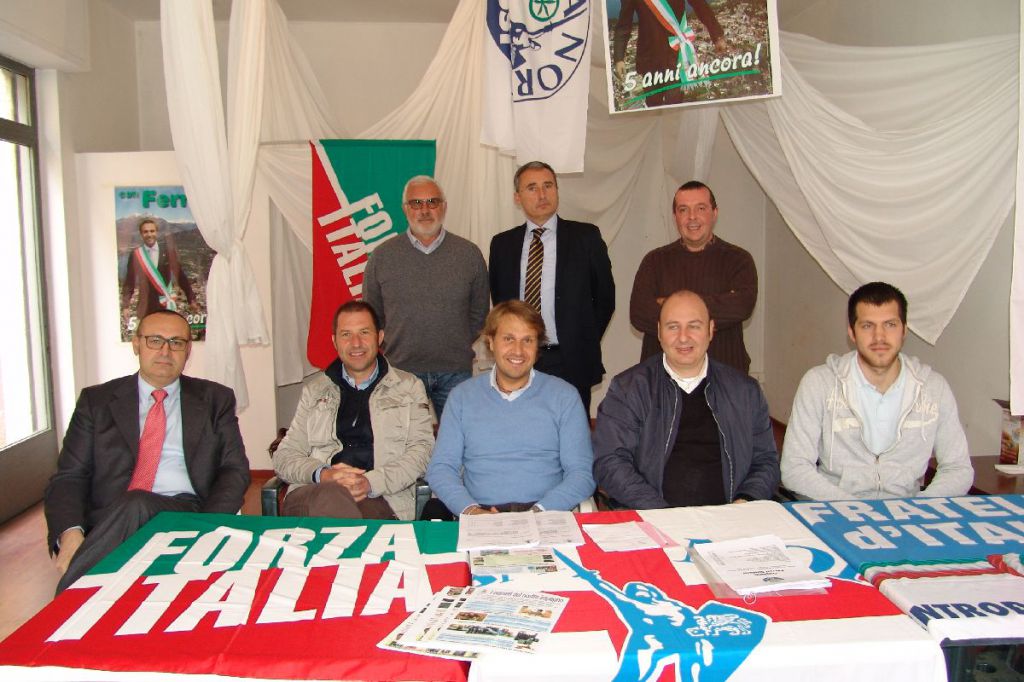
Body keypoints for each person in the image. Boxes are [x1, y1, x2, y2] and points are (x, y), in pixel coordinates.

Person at [45, 310, 249, 593]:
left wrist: (207, 525)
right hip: (111, 516)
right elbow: (69, 476)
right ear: (136, 344)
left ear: (188, 350)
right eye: (155, 340)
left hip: (184, 510)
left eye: (176, 342)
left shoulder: (215, 399)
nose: (166, 351)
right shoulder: (96, 402)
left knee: (137, 503)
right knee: (133, 506)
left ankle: (67, 604)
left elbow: (234, 469)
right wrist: (69, 532)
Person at [781, 282, 974, 500]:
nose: (879, 336)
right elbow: (794, 468)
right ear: (851, 332)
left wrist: (920, 507)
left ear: (904, 330)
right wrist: (855, 509)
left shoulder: (933, 388)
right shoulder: (819, 384)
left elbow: (958, 469)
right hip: (836, 508)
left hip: (909, 510)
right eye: (867, 326)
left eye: (890, 325)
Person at [593, 290, 779, 509]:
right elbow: (610, 462)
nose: (683, 337)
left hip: (730, 516)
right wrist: (663, 513)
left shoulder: (745, 391)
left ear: (710, 330)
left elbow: (766, 461)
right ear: (659, 332)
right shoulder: (629, 389)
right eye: (673, 327)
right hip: (654, 516)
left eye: (694, 326)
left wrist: (744, 501)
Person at [426, 301, 595, 515]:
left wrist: (539, 512)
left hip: (546, 514)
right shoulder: (461, 397)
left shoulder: (564, 397)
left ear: (538, 346)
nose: (518, 350)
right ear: (491, 342)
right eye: (508, 339)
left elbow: (582, 473)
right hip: (479, 514)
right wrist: (471, 511)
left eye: (528, 340)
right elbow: (441, 469)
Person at [272, 301, 434, 520]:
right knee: (331, 498)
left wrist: (370, 482)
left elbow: (422, 452)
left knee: (344, 513)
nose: (356, 343)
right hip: (315, 492)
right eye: (346, 334)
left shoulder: (408, 387)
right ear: (335, 341)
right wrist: (324, 474)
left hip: (380, 495)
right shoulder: (315, 391)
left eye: (364, 332)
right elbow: (284, 456)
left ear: (379, 337)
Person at [489, 161, 615, 414]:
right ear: (517, 197)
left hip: (571, 359)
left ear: (557, 190)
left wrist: (581, 338)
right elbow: (502, 304)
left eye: (548, 186)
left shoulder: (586, 237)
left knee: (571, 430)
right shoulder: (502, 244)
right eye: (532, 188)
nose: (542, 194)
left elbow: (605, 299)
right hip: (520, 357)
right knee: (521, 428)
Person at [363, 176, 489, 417]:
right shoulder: (381, 257)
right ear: (405, 209)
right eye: (416, 203)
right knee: (401, 438)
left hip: (455, 372)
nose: (424, 210)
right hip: (401, 371)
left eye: (432, 202)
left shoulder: (469, 254)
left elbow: (479, 314)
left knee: (460, 437)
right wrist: (395, 347)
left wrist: (456, 343)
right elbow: (372, 316)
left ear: (444, 206)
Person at [630, 180, 756, 374]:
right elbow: (639, 315)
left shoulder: (738, 260)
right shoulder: (654, 261)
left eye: (701, 208)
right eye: (683, 210)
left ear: (714, 213)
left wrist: (667, 304)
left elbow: (741, 307)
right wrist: (717, 304)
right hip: (661, 378)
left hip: (725, 377)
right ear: (675, 216)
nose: (692, 217)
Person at [613, 0, 728, 106]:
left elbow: (700, 6)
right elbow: (624, 24)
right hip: (650, 60)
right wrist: (619, 58)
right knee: (653, 105)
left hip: (676, 56)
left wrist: (717, 36)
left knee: (674, 106)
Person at [120, 217, 198, 326]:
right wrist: (126, 306)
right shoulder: (136, 255)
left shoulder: (168, 251)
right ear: (141, 234)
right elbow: (129, 282)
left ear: (156, 232)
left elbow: (180, 275)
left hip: (166, 304)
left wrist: (191, 299)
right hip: (146, 306)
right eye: (145, 232)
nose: (149, 234)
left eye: (152, 231)